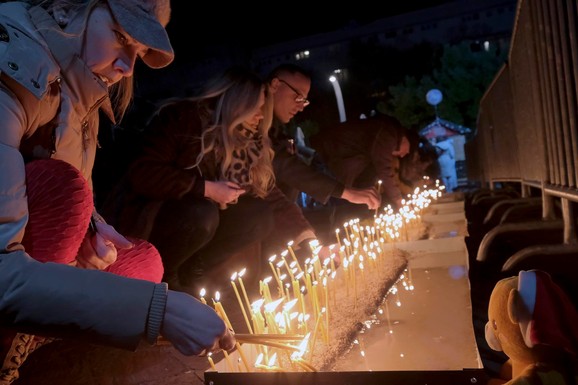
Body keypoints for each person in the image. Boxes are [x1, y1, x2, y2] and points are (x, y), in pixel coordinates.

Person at [0, 0, 234, 382]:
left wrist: (92, 228)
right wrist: (160, 312)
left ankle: (40, 349)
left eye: (138, 53)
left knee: (143, 264)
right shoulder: (8, 75)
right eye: (121, 38)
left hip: (25, 264)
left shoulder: (79, 97)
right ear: (65, 10)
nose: (127, 68)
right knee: (66, 193)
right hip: (7, 276)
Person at [102, 66, 279, 294]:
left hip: (201, 221)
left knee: (258, 215)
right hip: (158, 215)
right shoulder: (184, 118)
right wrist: (206, 188)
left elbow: (271, 195)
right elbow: (143, 172)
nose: (261, 115)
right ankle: (166, 277)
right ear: (237, 103)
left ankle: (196, 269)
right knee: (202, 213)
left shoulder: (244, 142)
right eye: (257, 107)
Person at [265, 64, 381, 212]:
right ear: (275, 84)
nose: (301, 107)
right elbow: (285, 165)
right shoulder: (256, 125)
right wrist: (346, 192)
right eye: (298, 97)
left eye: (304, 101)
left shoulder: (278, 129)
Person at [309, 113, 411, 211]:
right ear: (406, 139)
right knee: (337, 202)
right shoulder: (388, 133)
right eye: (407, 152)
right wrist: (399, 200)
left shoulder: (385, 130)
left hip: (332, 154)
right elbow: (384, 169)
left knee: (339, 200)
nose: (402, 155)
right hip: (330, 154)